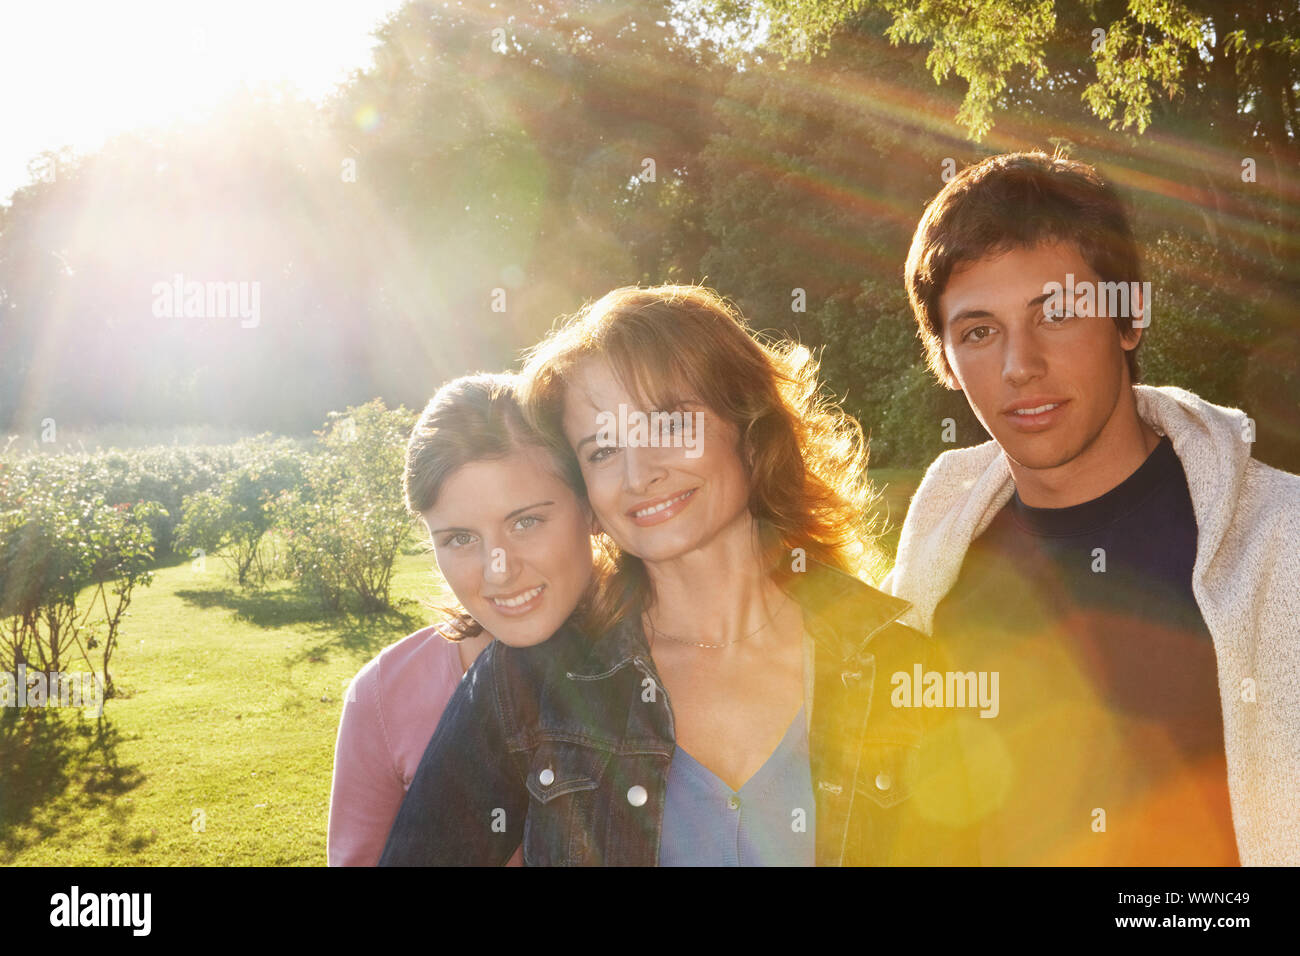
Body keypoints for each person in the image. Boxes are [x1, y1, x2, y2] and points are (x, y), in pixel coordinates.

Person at [381, 285, 973, 866]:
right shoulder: (532, 681)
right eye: (602, 450)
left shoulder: (896, 665)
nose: (639, 475)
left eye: (667, 426)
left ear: (748, 424)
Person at [886, 151, 1300, 865]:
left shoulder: (1277, 544)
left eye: (1059, 314)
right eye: (980, 332)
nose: (1022, 365)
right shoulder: (935, 566)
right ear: (946, 362)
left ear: (1130, 318)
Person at [327, 373, 601, 866]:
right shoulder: (382, 699)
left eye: (526, 522)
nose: (500, 570)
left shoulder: (670, 655)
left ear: (589, 506)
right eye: (460, 538)